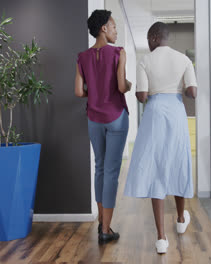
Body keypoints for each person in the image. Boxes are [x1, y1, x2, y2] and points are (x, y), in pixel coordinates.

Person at [124, 22, 197, 254]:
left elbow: (143, 96)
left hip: (154, 113)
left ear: (155, 37)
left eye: (148, 37)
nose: (147, 42)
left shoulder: (145, 60)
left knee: (156, 167)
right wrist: (180, 89)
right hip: (176, 113)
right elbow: (192, 92)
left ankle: (161, 238)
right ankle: (179, 219)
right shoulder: (184, 60)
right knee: (178, 162)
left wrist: (139, 91)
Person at [75, 9, 131, 243]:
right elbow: (121, 87)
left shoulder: (82, 57)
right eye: (114, 26)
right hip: (116, 116)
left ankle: (101, 223)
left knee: (99, 167)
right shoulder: (119, 52)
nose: (116, 30)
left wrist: (94, 92)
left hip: (93, 118)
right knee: (111, 172)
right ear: (103, 29)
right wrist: (128, 84)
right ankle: (106, 230)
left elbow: (79, 92)